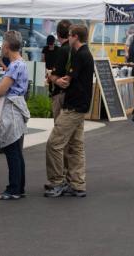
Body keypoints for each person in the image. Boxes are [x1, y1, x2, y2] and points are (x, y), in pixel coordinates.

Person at [45, 24, 94, 198]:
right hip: (81, 105)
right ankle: (77, 183)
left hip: (73, 105)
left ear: (75, 37)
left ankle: (57, 182)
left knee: (54, 143)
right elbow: (71, 78)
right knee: (76, 145)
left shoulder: (80, 55)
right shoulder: (85, 54)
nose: (68, 38)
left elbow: (67, 80)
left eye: (71, 36)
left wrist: (54, 78)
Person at [0, 31, 30, 200]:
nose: (1, 47)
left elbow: (1, 89)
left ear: (7, 47)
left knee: (11, 149)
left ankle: (13, 188)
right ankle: (18, 186)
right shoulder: (20, 63)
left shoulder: (15, 66)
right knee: (16, 149)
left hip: (11, 109)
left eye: (2, 44)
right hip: (17, 107)